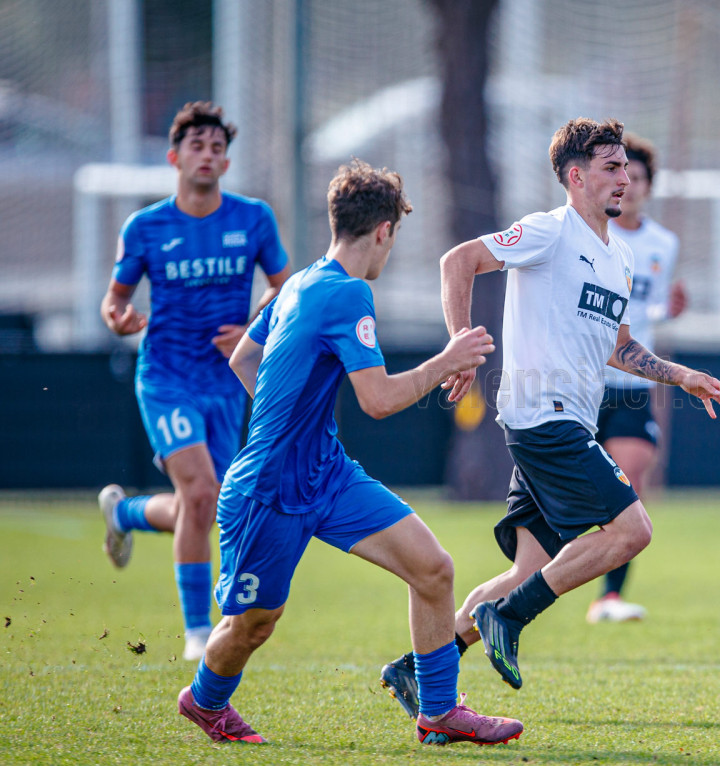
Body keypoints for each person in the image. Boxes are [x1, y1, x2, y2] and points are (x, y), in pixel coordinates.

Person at [381, 117, 720, 711]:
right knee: (633, 531)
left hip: (566, 419)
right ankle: (509, 618)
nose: (624, 179)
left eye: (626, 169)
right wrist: (459, 345)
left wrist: (683, 376)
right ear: (575, 176)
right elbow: (457, 261)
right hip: (544, 418)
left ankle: (417, 669)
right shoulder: (550, 230)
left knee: (525, 570)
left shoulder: (621, 256)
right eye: (611, 168)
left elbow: (621, 347)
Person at [177, 159, 523, 747]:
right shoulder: (348, 293)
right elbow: (378, 401)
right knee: (253, 625)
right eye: (395, 235)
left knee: (432, 568)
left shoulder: (299, 283)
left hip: (328, 474)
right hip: (268, 489)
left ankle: (439, 711)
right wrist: (447, 360)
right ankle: (204, 701)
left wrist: (293, 418)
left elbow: (243, 359)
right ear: (384, 230)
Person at [98, 102, 292, 662]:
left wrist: (254, 324)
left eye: (216, 148)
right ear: (174, 158)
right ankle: (198, 632)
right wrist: (118, 317)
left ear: (226, 163)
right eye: (197, 146)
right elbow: (114, 300)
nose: (207, 155)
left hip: (226, 382)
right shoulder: (145, 227)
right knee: (203, 493)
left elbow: (285, 285)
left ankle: (125, 513)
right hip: (166, 378)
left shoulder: (253, 218)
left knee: (207, 503)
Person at [586, 132, 687, 624]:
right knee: (569, 491)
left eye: (639, 177)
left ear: (648, 185)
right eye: (622, 173)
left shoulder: (663, 244)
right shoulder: (591, 236)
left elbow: (648, 310)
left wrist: (669, 311)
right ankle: (535, 578)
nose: (629, 184)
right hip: (585, 381)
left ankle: (609, 597)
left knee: (628, 486)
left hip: (632, 384)